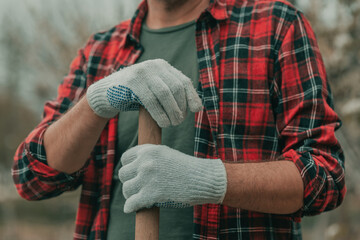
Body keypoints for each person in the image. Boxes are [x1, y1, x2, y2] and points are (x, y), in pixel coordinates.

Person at [12, 0, 346, 239]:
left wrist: (209, 180)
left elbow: (325, 177)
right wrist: (96, 101)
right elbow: (33, 177)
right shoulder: (101, 51)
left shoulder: (276, 25)